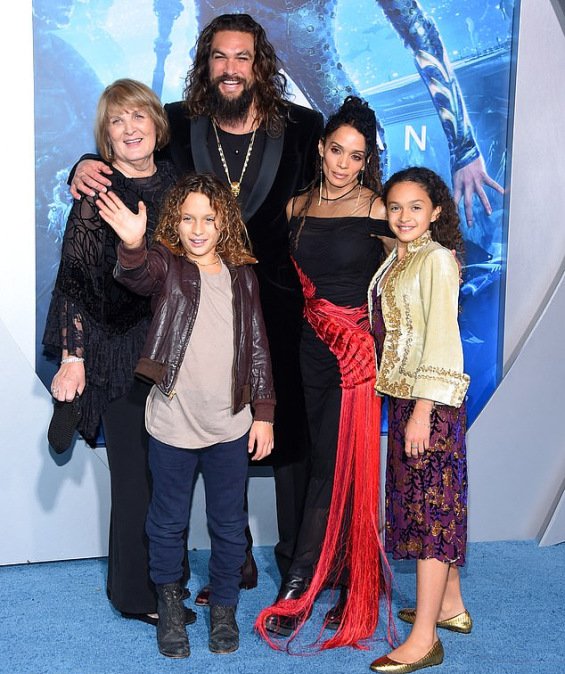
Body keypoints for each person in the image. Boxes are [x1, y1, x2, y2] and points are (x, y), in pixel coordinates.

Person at [68, 13, 324, 596]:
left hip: (277, 309)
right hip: (187, 304)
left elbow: (342, 185)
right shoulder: (179, 123)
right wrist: (82, 169)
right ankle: (233, 561)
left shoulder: (305, 128)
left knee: (284, 444)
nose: (230, 69)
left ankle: (295, 567)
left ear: (260, 64)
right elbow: (127, 156)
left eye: (242, 57)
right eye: (219, 57)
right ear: (205, 63)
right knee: (192, 439)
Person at [99, 172, 275, 658]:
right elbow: (137, 275)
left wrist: (264, 412)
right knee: (167, 522)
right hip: (172, 424)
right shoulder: (168, 268)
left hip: (229, 426)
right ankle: (169, 606)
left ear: (224, 225)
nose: (198, 228)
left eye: (208, 219)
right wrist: (133, 246)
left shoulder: (243, 277)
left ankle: (224, 609)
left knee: (227, 524)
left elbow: (257, 346)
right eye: (188, 218)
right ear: (175, 222)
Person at [43, 79, 194, 627]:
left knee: (172, 477)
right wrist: (73, 357)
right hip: (117, 352)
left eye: (139, 118)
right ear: (105, 135)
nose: (130, 130)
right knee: (136, 481)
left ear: (157, 124)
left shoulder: (181, 186)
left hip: (176, 351)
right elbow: (76, 281)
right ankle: (136, 594)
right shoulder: (94, 196)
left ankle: (168, 584)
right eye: (117, 121)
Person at [256, 96, 394, 649]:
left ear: (366, 161)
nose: (342, 163)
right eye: (336, 149)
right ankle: (351, 575)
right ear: (321, 148)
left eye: (355, 156)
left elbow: (409, 270)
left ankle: (297, 588)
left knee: (334, 469)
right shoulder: (296, 209)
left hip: (352, 357)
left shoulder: (379, 210)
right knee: (317, 460)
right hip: (305, 353)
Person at [367, 167, 471, 672]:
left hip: (431, 404)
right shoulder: (404, 256)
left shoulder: (435, 261)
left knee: (432, 517)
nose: (404, 216)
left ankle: (425, 639)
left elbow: (442, 340)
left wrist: (424, 412)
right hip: (407, 398)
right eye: (395, 206)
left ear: (436, 213)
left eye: (415, 207)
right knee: (426, 505)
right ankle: (450, 605)